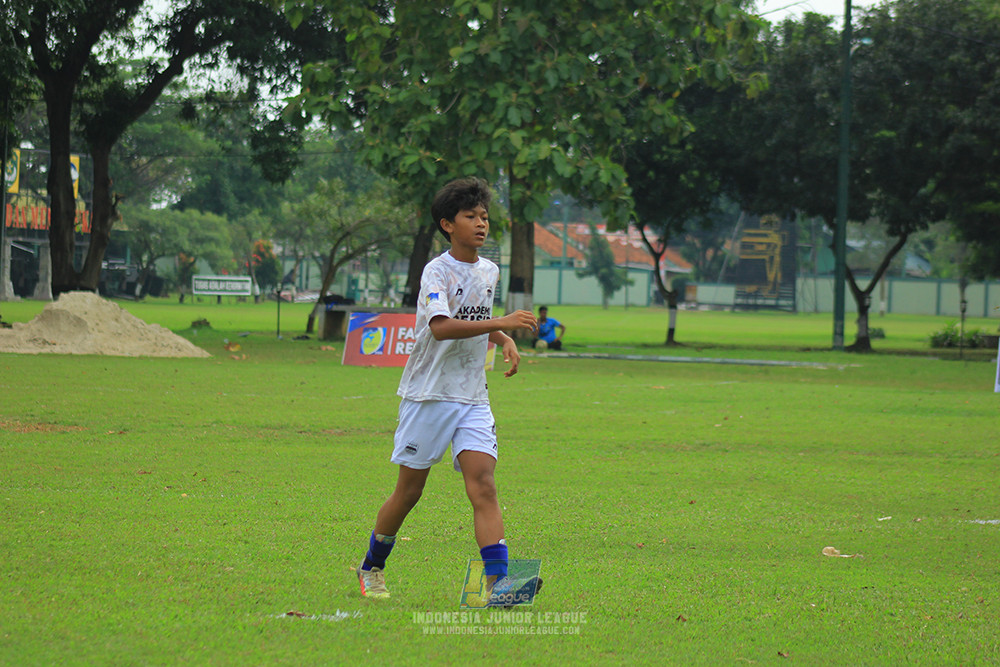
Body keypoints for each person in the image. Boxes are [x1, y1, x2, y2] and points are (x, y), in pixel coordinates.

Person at [356, 177, 542, 605]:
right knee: (409, 492)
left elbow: (476, 316)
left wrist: (501, 337)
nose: (480, 224)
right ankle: (372, 566)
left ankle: (498, 586)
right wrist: (501, 324)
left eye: (484, 216)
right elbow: (441, 328)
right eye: (470, 216)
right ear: (447, 224)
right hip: (429, 395)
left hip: (472, 395)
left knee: (484, 485)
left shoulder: (490, 270)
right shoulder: (436, 270)